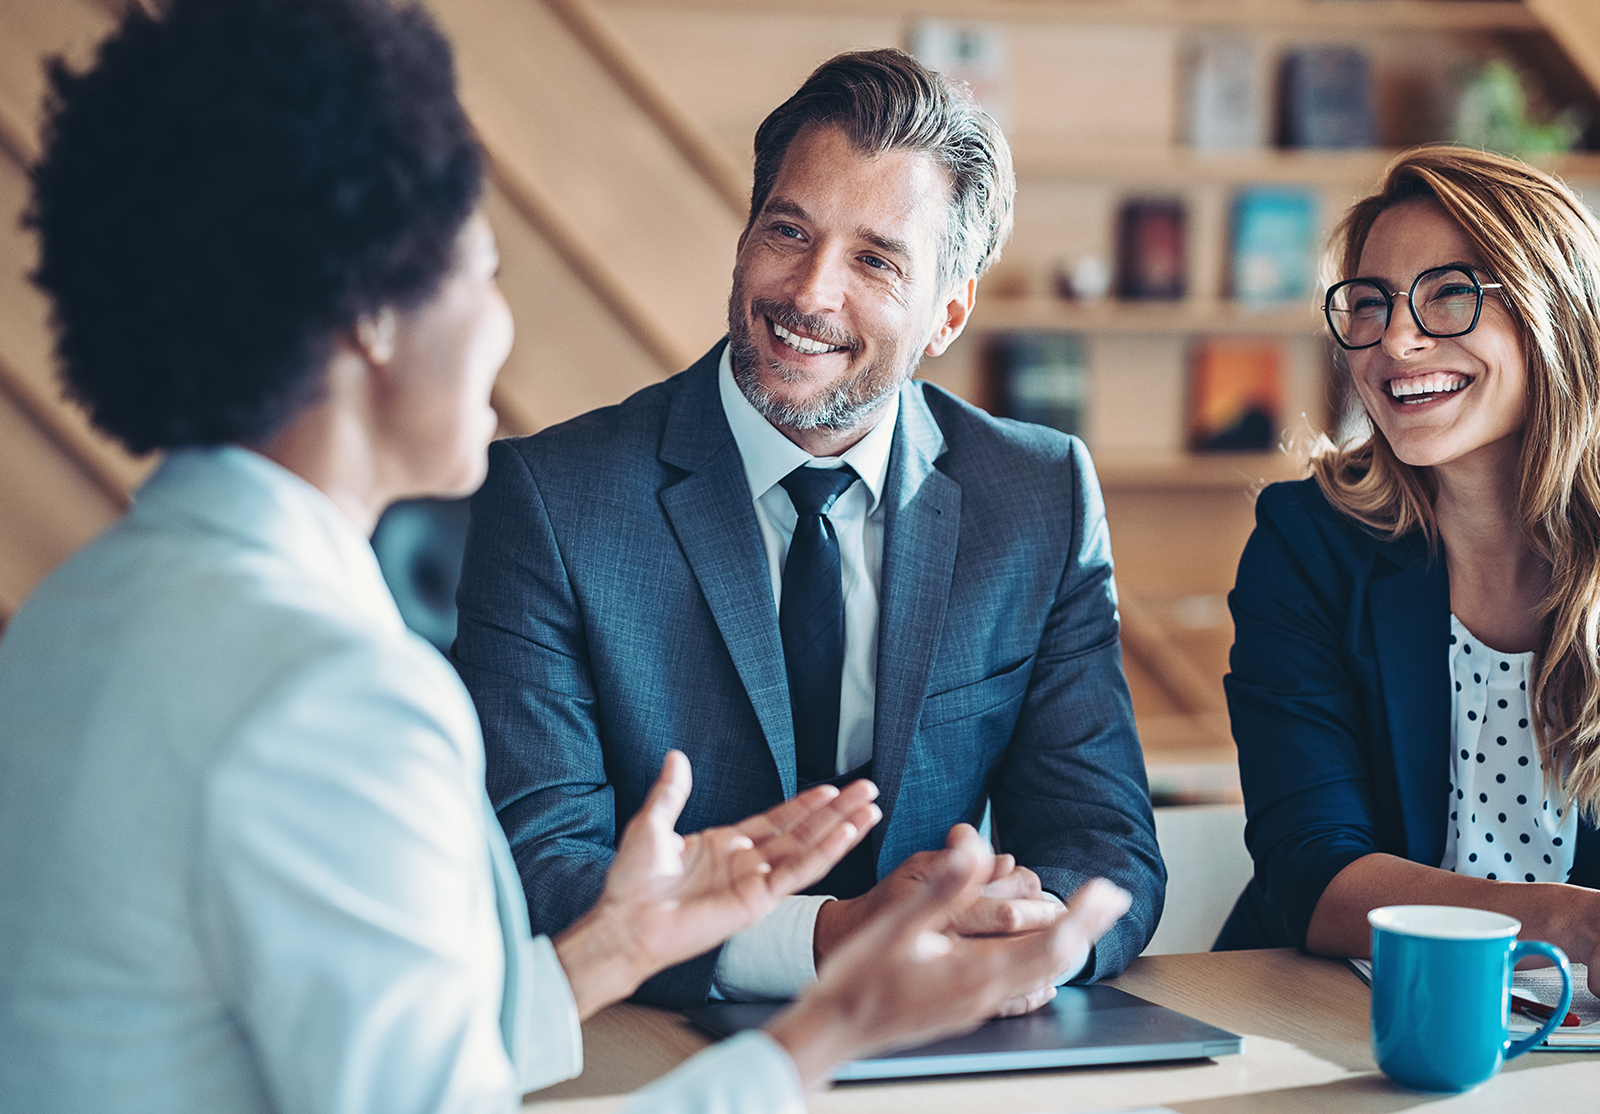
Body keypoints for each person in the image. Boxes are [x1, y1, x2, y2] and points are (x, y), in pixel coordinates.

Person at [0, 2, 1133, 1112]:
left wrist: (616, 944)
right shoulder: (333, 697)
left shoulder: (69, 613)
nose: (498, 330)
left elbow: (386, 1048)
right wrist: (836, 1024)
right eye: (481, 272)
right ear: (372, 318)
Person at [454, 48, 1165, 1009]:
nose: (810, 292)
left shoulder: (1039, 496)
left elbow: (1104, 838)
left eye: (875, 259)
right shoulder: (553, 500)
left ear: (947, 313)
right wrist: (829, 941)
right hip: (650, 1041)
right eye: (789, 230)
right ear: (745, 235)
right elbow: (538, 866)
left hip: (954, 1039)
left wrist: (1026, 936)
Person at [1218, 146, 1600, 990]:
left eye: (1451, 295)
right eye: (1370, 303)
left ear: (1557, 315)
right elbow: (1311, 873)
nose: (1396, 340)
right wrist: (1566, 922)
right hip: (1344, 1011)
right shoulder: (1308, 541)